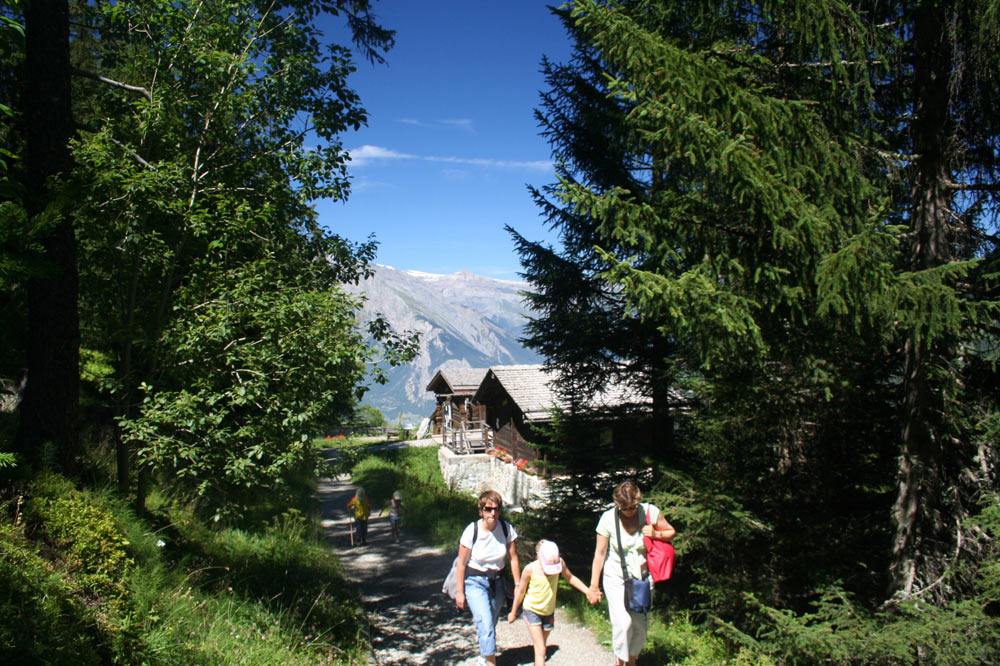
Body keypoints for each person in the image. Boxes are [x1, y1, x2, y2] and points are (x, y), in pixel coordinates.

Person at [589, 480, 676, 666]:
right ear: (617, 505)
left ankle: (632, 660)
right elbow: (600, 553)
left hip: (642, 579)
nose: (630, 511)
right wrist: (594, 586)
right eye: (626, 508)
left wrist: (655, 534)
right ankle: (621, 660)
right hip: (616, 577)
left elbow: (670, 532)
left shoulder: (650, 512)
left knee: (640, 625)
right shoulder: (607, 519)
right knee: (622, 623)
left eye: (634, 507)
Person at [455, 489, 521, 666]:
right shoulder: (472, 531)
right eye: (488, 509)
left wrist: (517, 584)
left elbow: (513, 558)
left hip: (498, 581)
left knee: (490, 622)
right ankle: (491, 662)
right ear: (481, 511)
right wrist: (460, 592)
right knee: (485, 624)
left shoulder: (506, 529)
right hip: (475, 581)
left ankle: (484, 657)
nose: (492, 513)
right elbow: (461, 564)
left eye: (496, 509)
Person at [507, 539, 592, 666]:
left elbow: (570, 578)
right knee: (541, 650)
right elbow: (520, 591)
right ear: (538, 557)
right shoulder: (530, 569)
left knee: (540, 648)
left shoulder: (560, 563)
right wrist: (513, 612)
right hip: (532, 610)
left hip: (548, 612)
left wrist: (588, 591)